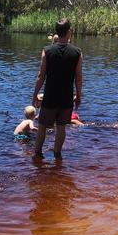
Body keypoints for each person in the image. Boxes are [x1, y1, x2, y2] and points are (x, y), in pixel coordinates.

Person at [31, 18, 83, 160]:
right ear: (69, 32)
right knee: (61, 127)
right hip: (66, 96)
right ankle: (57, 156)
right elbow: (78, 78)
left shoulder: (47, 51)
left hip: (50, 96)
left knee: (42, 126)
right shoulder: (77, 53)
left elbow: (41, 75)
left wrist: (35, 94)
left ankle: (37, 155)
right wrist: (78, 96)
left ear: (57, 32)